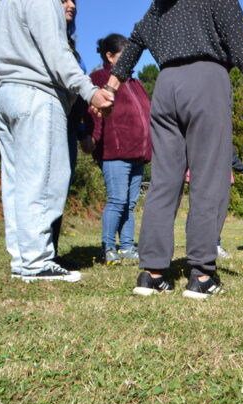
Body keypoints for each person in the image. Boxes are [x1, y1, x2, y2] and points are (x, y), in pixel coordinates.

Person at [104, 0, 243, 299]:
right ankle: (202, 275)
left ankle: (152, 273)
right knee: (209, 179)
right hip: (206, 79)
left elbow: (135, 42)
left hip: (166, 86)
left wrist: (110, 87)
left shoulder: (160, 7)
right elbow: (238, 35)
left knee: (164, 183)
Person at [0, 0, 113, 282]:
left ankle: (23, 259)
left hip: (3, 93)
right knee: (43, 179)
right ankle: (37, 261)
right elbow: (57, 53)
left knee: (17, 182)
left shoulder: (1, 7)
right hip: (36, 95)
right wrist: (89, 91)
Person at [87, 34, 152, 266]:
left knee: (130, 204)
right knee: (116, 200)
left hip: (138, 153)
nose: (130, 62)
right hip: (114, 152)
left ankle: (126, 247)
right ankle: (109, 248)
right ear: (110, 56)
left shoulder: (135, 83)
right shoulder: (98, 79)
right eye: (125, 57)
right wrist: (91, 140)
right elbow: (92, 115)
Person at [51, 0, 91, 266]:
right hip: (45, 115)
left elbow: (79, 101)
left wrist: (81, 129)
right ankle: (37, 254)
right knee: (42, 184)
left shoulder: (71, 49)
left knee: (58, 187)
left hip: (67, 126)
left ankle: (50, 251)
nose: (71, 5)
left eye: (74, 1)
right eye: (64, 0)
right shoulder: (47, 39)